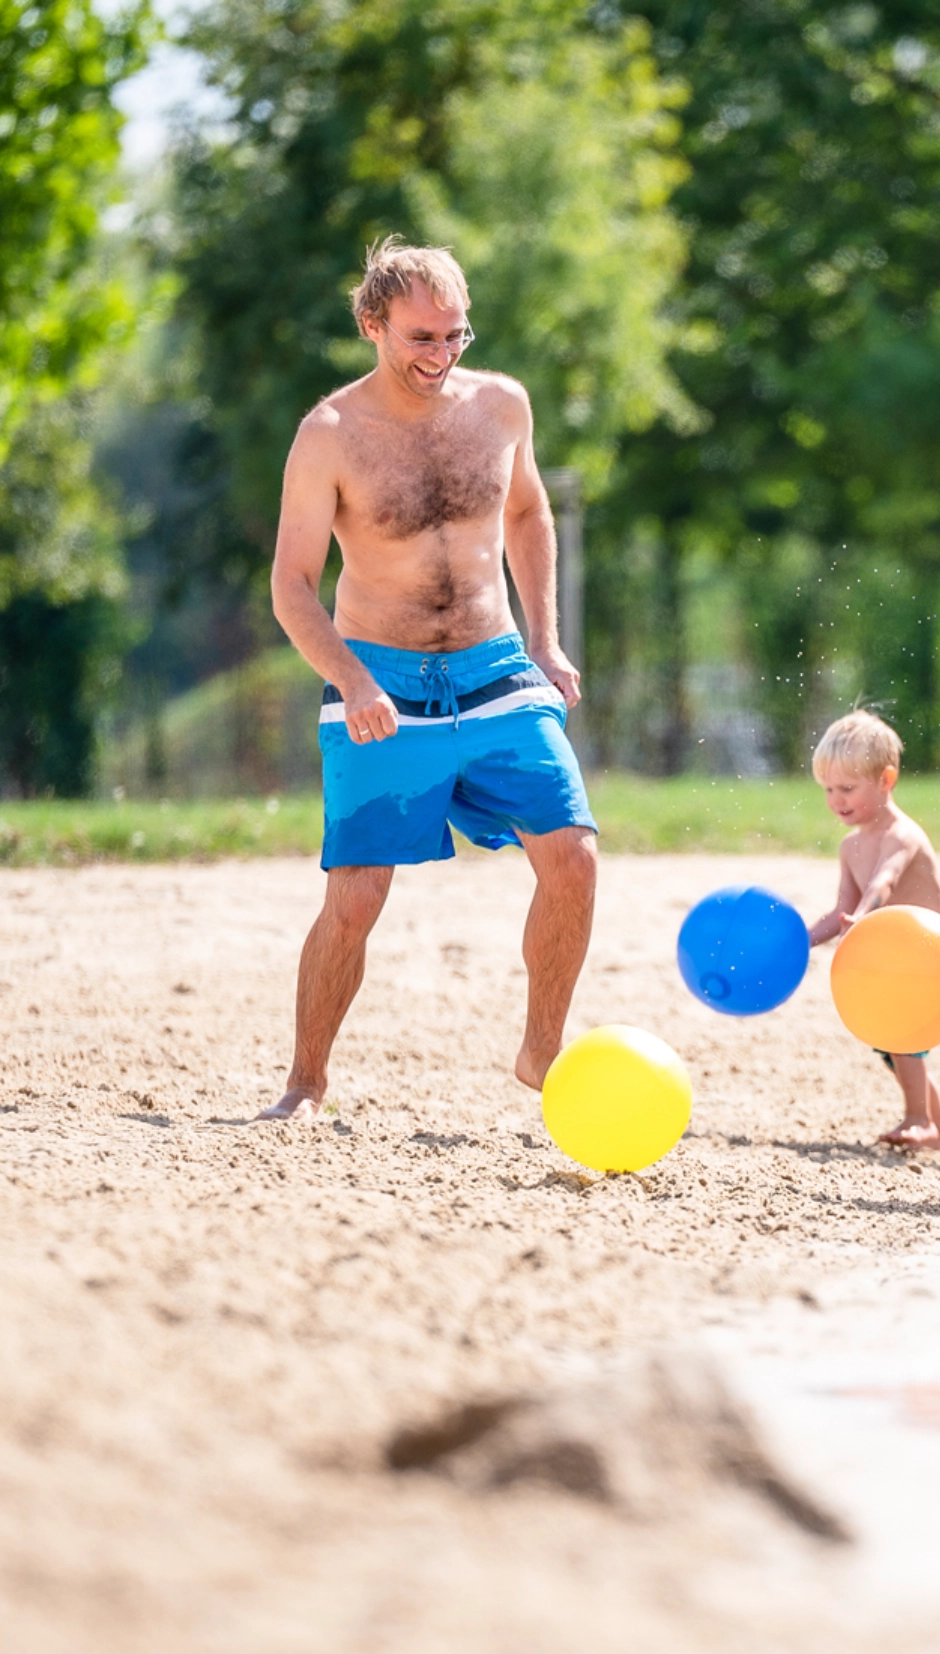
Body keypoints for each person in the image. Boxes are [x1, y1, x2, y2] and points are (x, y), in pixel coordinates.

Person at [258, 237, 598, 1121]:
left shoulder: (502, 407)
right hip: (380, 679)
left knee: (574, 854)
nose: (442, 356)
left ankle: (540, 1053)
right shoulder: (328, 434)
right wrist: (350, 679)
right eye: (421, 338)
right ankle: (305, 1080)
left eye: (457, 336)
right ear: (373, 324)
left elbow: (527, 512)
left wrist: (548, 642)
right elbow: (291, 586)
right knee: (357, 895)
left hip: (495, 667)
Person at [805, 709, 940, 1151]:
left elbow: (883, 882)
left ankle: (919, 1118)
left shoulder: (902, 834)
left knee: (903, 1040)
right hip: (890, 962)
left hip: (926, 958)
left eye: (848, 788)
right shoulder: (850, 845)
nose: (837, 800)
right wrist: (804, 939)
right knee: (895, 1046)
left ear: (886, 780)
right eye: (829, 790)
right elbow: (841, 910)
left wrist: (865, 914)